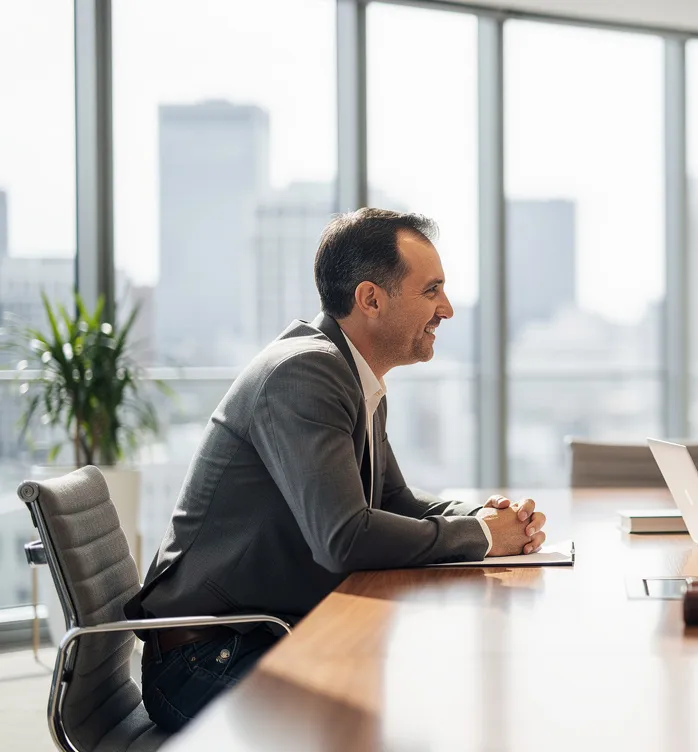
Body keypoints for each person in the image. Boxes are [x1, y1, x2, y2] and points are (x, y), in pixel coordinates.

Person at [126, 208, 548, 731]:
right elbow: (343, 538)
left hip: (266, 635)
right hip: (209, 661)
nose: (448, 309)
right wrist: (480, 536)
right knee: (406, 718)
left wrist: (487, 517)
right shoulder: (306, 371)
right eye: (431, 290)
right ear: (370, 298)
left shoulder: (352, 374)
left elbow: (395, 501)